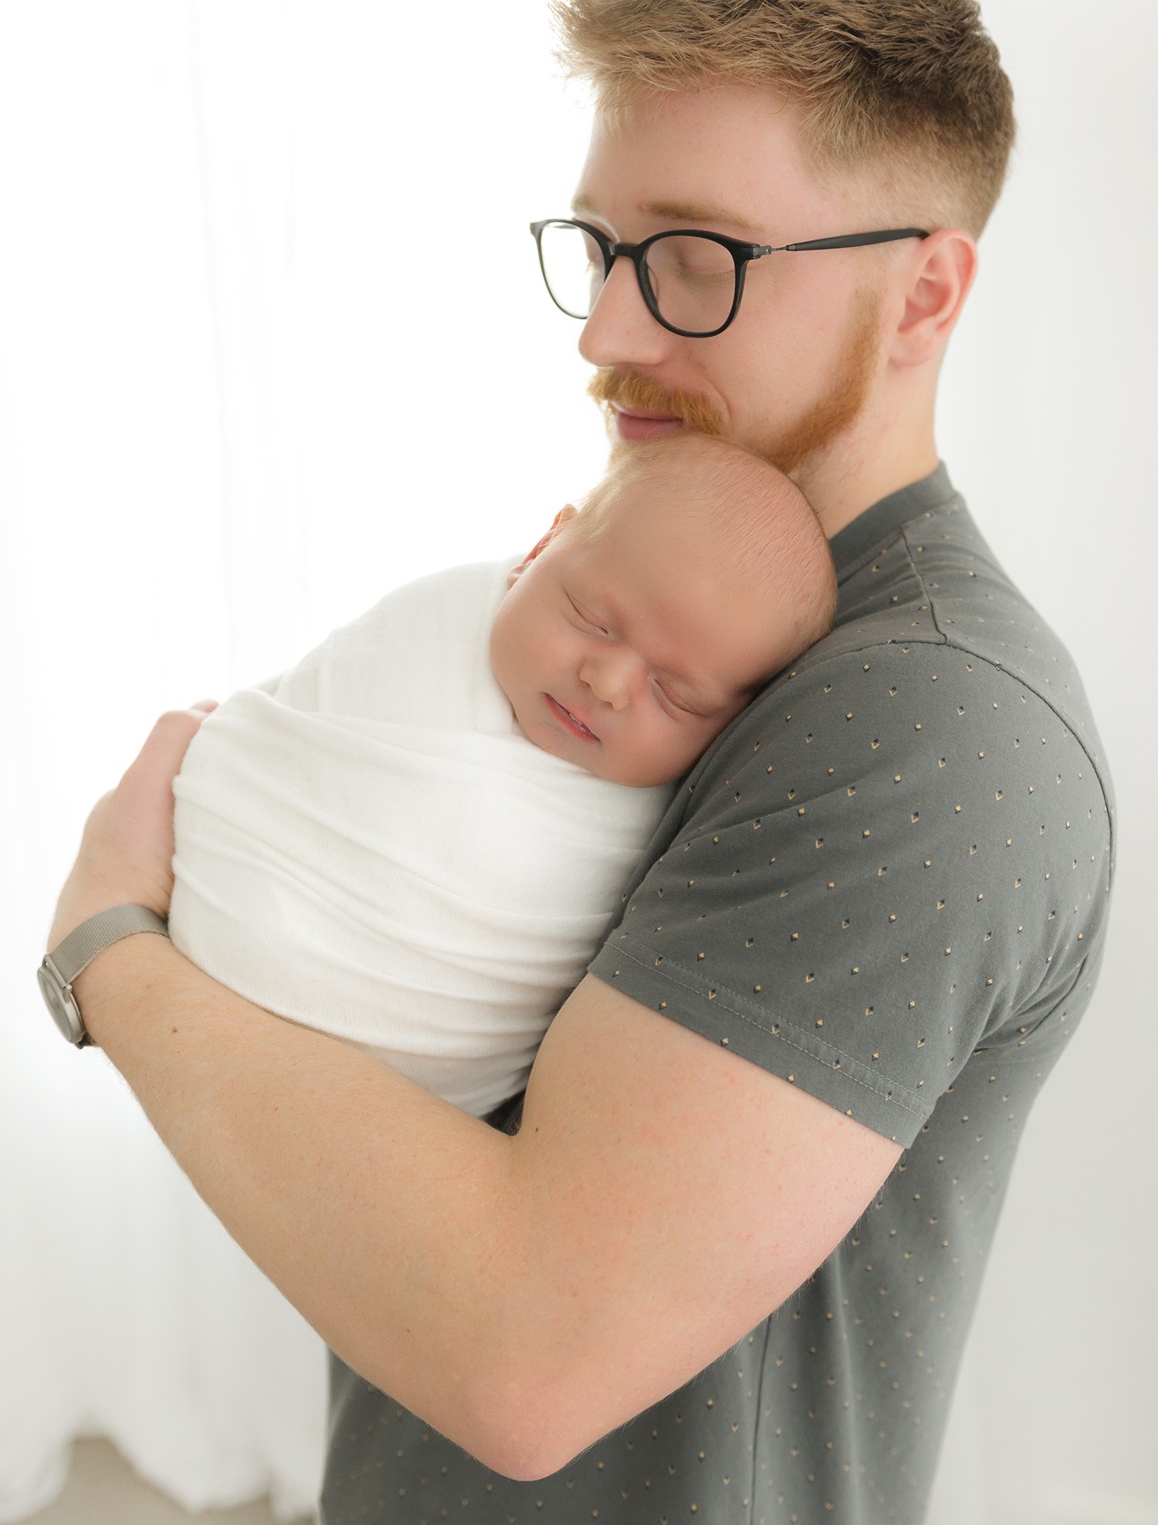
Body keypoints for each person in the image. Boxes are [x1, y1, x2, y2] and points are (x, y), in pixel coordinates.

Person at [42, 0, 1114, 1525]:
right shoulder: (658, 603)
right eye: (601, 251)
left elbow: (520, 1353)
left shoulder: (931, 731)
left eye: (695, 260)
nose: (606, 330)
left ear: (918, 298)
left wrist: (109, 951)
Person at [167, 435, 836, 1117]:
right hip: (226, 922)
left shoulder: (678, 825)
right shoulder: (432, 627)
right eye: (593, 619)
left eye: (676, 694)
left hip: (409, 1102)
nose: (605, 683)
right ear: (543, 548)